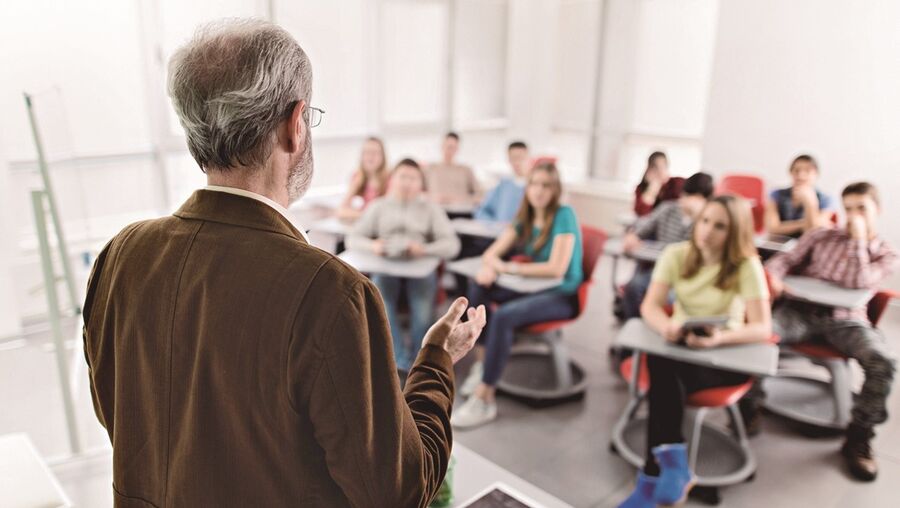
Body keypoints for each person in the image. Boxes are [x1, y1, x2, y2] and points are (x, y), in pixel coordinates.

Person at [82, 20, 486, 507]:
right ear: (295, 125)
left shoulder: (121, 256)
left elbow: (122, 417)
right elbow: (398, 492)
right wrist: (437, 360)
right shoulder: (330, 292)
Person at [618, 195, 771, 508]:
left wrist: (718, 339)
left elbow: (761, 328)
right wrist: (666, 327)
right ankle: (671, 468)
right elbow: (650, 306)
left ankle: (650, 480)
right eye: (704, 221)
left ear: (734, 233)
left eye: (719, 226)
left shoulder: (747, 265)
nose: (706, 231)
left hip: (724, 355)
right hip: (681, 345)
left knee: (663, 376)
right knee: (663, 363)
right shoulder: (676, 254)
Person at [765, 182, 897, 482]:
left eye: (861, 209)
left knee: (883, 362)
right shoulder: (820, 235)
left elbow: (859, 281)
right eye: (848, 208)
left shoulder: (886, 253)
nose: (852, 216)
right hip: (800, 313)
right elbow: (785, 258)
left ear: (877, 211)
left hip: (846, 321)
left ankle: (859, 436)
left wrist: (858, 240)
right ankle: (750, 412)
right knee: (759, 336)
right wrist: (774, 277)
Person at [451, 162, 583, 429]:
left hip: (562, 295)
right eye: (534, 184)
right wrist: (489, 267)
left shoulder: (564, 214)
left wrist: (508, 267)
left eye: (546, 185)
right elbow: (491, 253)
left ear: (555, 189)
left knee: (503, 317)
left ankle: (485, 397)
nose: (539, 191)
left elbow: (556, 268)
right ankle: (482, 363)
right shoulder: (526, 216)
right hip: (531, 286)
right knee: (479, 284)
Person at [347, 159, 461, 372]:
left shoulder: (431, 209)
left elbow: (452, 245)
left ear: (421, 183)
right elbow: (352, 238)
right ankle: (399, 358)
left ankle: (422, 359)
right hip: (386, 265)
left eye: (413, 178)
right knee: (379, 302)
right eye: (403, 177)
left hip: (420, 267)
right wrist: (374, 245)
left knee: (422, 310)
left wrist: (424, 249)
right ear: (393, 180)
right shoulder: (378, 206)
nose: (407, 182)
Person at [620, 172, 714, 320]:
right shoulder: (668, 208)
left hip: (687, 274)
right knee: (634, 286)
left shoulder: (709, 220)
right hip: (659, 268)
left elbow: (703, 252)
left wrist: (699, 217)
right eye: (687, 196)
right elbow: (642, 229)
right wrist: (633, 236)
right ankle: (634, 326)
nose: (688, 201)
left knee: (671, 299)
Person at [764, 154, 834, 237]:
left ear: (816, 174)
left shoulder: (826, 199)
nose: (801, 176)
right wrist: (805, 223)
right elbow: (772, 228)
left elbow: (813, 231)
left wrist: (809, 201)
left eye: (807, 171)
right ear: (790, 172)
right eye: (796, 170)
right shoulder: (776, 194)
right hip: (780, 243)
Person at [474, 141, 530, 223]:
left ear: (528, 158)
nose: (517, 163)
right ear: (509, 160)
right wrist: (493, 225)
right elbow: (482, 212)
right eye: (513, 158)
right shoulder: (503, 186)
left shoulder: (535, 186)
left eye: (521, 158)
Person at [336, 136, 389, 220]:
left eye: (375, 153)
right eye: (367, 152)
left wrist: (359, 214)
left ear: (383, 156)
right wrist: (355, 185)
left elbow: (387, 213)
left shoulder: (390, 179)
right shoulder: (357, 177)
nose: (370, 157)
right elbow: (341, 211)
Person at [426, 132, 481, 207]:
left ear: (457, 149)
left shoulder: (466, 170)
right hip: (435, 210)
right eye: (447, 146)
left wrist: (461, 200)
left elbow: (480, 196)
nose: (449, 151)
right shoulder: (431, 169)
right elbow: (418, 193)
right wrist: (432, 198)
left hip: (460, 212)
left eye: (452, 147)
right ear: (441, 146)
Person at [634, 151, 684, 217]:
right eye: (655, 168)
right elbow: (641, 216)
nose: (660, 171)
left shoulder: (678, 183)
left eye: (663, 166)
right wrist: (651, 191)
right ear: (649, 169)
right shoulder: (642, 187)